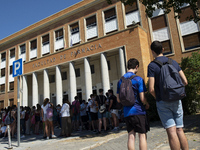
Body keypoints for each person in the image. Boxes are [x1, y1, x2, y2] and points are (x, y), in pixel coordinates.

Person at [147, 41, 189, 150]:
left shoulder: (152, 66)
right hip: (176, 99)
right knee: (180, 129)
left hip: (163, 101)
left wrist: (158, 98)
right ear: (163, 50)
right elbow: (185, 81)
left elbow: (151, 88)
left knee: (171, 131)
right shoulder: (173, 62)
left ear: (152, 52)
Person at [117, 58, 149, 150]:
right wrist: (147, 104)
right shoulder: (138, 79)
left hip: (127, 112)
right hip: (138, 111)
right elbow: (142, 98)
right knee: (142, 136)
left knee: (131, 136)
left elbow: (118, 99)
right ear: (136, 67)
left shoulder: (120, 80)